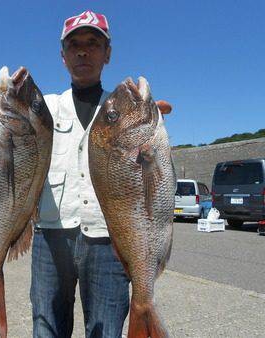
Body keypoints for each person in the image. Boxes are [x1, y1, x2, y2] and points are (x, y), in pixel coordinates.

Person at [30, 10, 172, 338]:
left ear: (108, 54)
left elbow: (152, 174)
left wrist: (152, 127)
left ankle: (143, 309)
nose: (83, 51)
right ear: (62, 56)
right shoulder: (45, 108)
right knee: (46, 327)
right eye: (74, 44)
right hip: (51, 234)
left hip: (110, 239)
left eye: (94, 44)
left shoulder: (121, 108)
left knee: (106, 330)